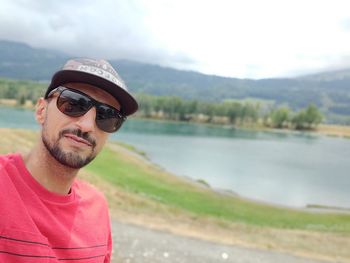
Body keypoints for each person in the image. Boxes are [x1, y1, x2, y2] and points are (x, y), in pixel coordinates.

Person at [0, 58, 138, 262]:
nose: (87, 125)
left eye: (107, 116)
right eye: (74, 103)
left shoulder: (97, 208)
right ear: (41, 110)